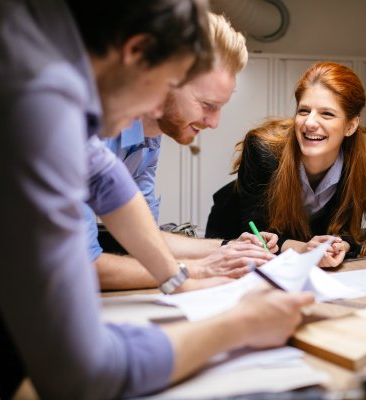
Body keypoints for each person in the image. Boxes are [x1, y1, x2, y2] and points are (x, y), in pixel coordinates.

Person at [0, 1, 313, 398]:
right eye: (164, 83)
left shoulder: (40, 52)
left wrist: (177, 277)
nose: (153, 112)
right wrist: (240, 324)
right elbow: (82, 374)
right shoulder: (33, 100)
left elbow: (104, 177)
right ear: (136, 52)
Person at [87, 13, 276, 291]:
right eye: (207, 104)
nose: (214, 123)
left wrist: (227, 248)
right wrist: (198, 269)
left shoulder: (148, 141)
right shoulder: (87, 129)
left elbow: (146, 237)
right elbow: (81, 267)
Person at [206, 62, 366, 267]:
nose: (309, 123)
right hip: (233, 235)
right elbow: (257, 234)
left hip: (300, 252)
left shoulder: (359, 157)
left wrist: (339, 245)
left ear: (351, 125)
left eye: (326, 113)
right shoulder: (263, 149)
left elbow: (348, 230)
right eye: (303, 111)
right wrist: (302, 248)